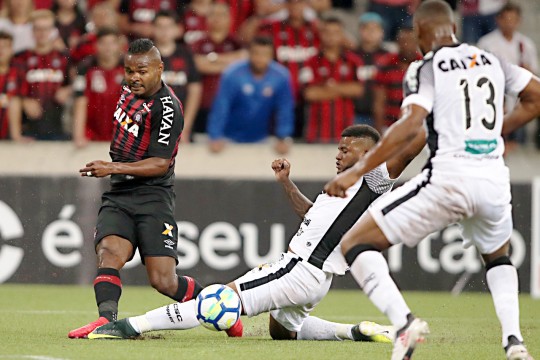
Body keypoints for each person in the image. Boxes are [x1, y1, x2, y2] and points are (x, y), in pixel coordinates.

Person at [324, 1, 540, 359]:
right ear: (452, 26)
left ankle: (404, 323)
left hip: (449, 179)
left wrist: (356, 171)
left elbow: (409, 125)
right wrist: (496, 131)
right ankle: (514, 342)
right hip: (494, 179)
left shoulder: (425, 68)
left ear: (423, 31)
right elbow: (535, 97)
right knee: (498, 257)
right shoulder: (491, 60)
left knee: (355, 244)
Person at [88, 123, 425, 342]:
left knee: (217, 301)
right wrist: (286, 183)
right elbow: (311, 214)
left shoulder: (372, 178)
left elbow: (411, 145)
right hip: (318, 280)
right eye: (338, 148)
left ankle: (131, 326)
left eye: (345, 149)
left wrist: (428, 112)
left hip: (299, 268)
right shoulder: (343, 187)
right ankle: (356, 332)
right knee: (282, 332)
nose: (338, 155)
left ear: (368, 154)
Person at [67, 38, 244, 339]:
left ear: (160, 69)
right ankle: (104, 320)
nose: (134, 77)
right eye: (129, 71)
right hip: (119, 194)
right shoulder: (128, 89)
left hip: (153, 197)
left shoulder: (168, 107)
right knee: (109, 253)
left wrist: (112, 167)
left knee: (163, 280)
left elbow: (160, 163)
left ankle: (227, 312)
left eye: (142, 71)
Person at [207, 36, 294, 154]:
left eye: (265, 54)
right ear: (249, 54)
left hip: (262, 138)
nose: (260, 58)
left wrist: (283, 136)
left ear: (272, 56)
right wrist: (215, 136)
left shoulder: (281, 77)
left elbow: (285, 108)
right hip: (228, 138)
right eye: (256, 53)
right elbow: (222, 105)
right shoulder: (232, 74)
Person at [477, 2, 538, 150]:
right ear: (498, 20)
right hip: (494, 94)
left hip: (518, 96)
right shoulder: (487, 43)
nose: (509, 24)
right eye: (506, 19)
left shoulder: (525, 44)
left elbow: (534, 71)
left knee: (519, 138)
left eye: (513, 19)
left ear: (519, 21)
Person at [258, 0, 320, 138]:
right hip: (278, 97)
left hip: (307, 99)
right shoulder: (271, 27)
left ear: (307, 5)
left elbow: (345, 44)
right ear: (286, 5)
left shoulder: (317, 29)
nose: (295, 6)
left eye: (299, 3)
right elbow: (250, 41)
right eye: (292, 3)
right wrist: (259, 15)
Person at [300, 17, 363, 143]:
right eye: (327, 32)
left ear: (342, 35)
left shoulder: (354, 61)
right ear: (321, 34)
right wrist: (343, 90)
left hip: (346, 132)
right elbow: (309, 94)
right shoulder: (309, 62)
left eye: (335, 33)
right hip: (316, 132)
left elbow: (358, 90)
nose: (331, 36)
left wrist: (329, 89)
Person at [12, 9, 71, 141]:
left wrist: (68, 90)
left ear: (52, 31)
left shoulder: (64, 58)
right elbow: (11, 86)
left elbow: (77, 82)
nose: (42, 33)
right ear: (32, 31)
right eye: (38, 29)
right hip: (28, 127)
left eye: (46, 28)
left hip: (59, 127)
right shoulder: (20, 58)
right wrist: (23, 100)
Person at [191, 2, 247, 136]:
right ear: (207, 18)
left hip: (232, 107)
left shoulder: (237, 43)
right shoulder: (198, 43)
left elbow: (244, 61)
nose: (217, 18)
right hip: (203, 105)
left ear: (230, 18)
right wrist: (230, 61)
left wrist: (211, 59)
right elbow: (197, 64)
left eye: (221, 15)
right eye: (213, 14)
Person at [153, 10, 202, 143]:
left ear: (176, 29)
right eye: (160, 26)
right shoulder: (145, 56)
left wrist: (185, 128)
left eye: (168, 27)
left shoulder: (186, 55)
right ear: (153, 29)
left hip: (181, 128)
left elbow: (195, 90)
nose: (164, 31)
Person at [72, 27, 124, 148]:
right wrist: (79, 135)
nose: (108, 47)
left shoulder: (130, 69)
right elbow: (80, 101)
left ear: (119, 46)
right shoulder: (84, 68)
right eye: (103, 43)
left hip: (122, 134)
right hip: (91, 134)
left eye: (112, 43)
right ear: (96, 45)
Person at [373, 27, 420, 133]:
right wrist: (379, 131)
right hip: (390, 125)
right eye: (404, 41)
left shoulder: (424, 66)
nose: (407, 45)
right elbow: (379, 102)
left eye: (411, 41)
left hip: (418, 126)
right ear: (397, 43)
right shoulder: (386, 64)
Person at [353, 12, 391, 127]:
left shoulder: (389, 57)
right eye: (366, 28)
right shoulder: (350, 56)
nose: (371, 32)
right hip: (356, 114)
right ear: (360, 30)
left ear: (382, 32)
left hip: (383, 115)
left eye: (375, 28)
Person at [0, 31, 19, 140]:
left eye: (5, 46)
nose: (1, 50)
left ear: (12, 50)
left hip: (9, 139)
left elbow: (17, 100)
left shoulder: (19, 73)